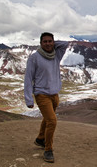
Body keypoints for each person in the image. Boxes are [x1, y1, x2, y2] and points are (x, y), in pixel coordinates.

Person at [24, 32, 69, 163]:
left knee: (47, 119)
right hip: (41, 94)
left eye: (50, 41)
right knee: (52, 121)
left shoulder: (56, 56)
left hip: (54, 94)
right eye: (45, 41)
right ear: (40, 43)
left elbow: (65, 44)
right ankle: (48, 149)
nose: (48, 44)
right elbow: (28, 79)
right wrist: (29, 98)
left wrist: (54, 45)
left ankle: (40, 139)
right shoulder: (34, 58)